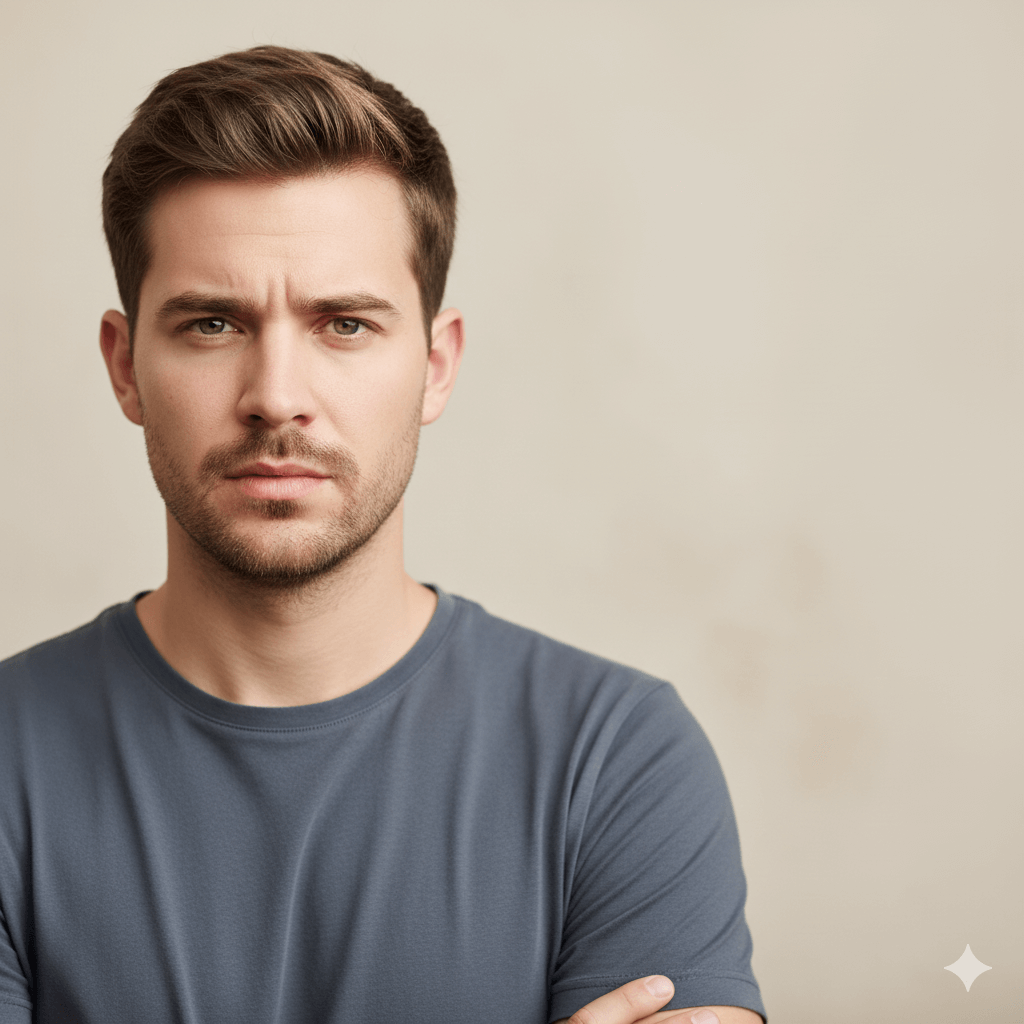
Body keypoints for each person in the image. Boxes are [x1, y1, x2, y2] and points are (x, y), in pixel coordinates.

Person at [0, 46, 766, 1024]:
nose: (276, 395)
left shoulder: (615, 760)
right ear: (124, 366)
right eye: (211, 324)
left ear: (436, 364)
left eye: (344, 324)